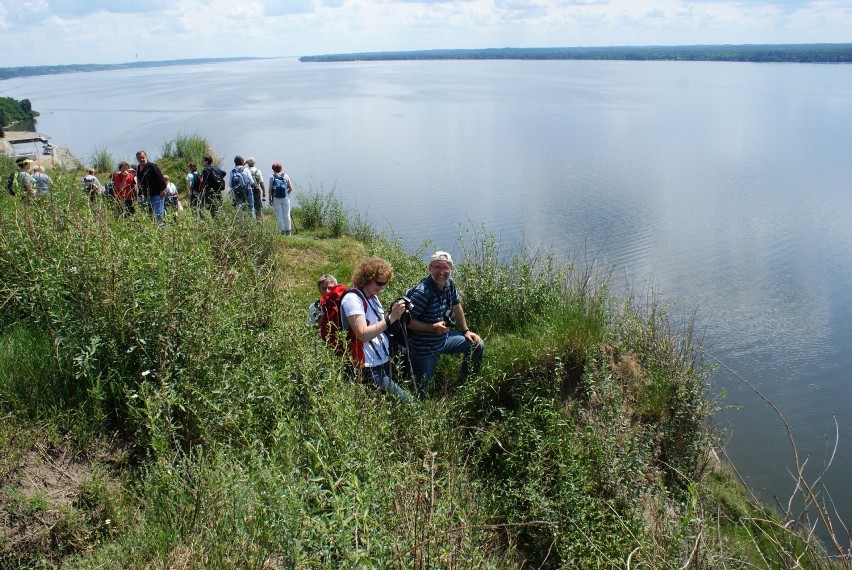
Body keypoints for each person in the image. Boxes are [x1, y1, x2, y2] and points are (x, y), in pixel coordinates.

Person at [406, 251, 484, 399]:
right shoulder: (423, 293)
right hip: (424, 349)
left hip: (444, 340)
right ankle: (415, 414)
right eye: (437, 267)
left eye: (445, 267)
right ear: (429, 268)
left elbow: (456, 305)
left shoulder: (449, 283)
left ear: (451, 269)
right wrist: (431, 328)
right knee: (419, 393)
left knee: (477, 345)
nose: (441, 272)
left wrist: (466, 331)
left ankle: (466, 384)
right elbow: (406, 321)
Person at [341, 257, 411, 400]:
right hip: (365, 365)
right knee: (406, 401)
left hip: (381, 359)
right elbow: (362, 335)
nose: (382, 287)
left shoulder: (372, 296)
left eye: (385, 283)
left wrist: (398, 314)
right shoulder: (352, 300)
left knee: (381, 402)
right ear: (366, 278)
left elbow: (380, 324)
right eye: (379, 283)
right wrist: (391, 317)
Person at [135, 150, 168, 225]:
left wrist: (162, 189)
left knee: (158, 214)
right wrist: (140, 194)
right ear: (137, 159)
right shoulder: (138, 168)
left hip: (157, 194)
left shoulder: (152, 166)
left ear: (146, 157)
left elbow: (161, 178)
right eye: (139, 158)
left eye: (143, 157)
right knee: (150, 215)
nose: (141, 159)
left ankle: (162, 231)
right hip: (147, 195)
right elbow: (140, 182)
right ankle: (155, 231)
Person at [268, 162, 293, 235]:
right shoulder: (286, 176)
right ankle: (288, 232)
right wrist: (287, 194)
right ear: (281, 169)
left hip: (276, 198)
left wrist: (270, 199)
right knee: (287, 214)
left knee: (279, 215)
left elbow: (270, 189)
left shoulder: (272, 177)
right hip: (285, 198)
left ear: (273, 169)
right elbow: (291, 188)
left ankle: (282, 231)